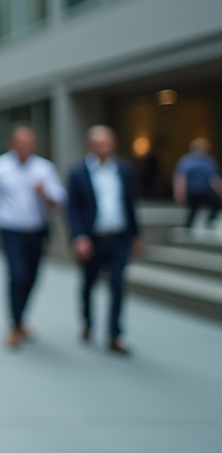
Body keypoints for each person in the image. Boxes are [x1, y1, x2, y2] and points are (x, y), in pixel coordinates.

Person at [0, 124, 66, 349]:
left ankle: (21, 317)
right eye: (20, 143)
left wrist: (43, 192)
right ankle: (15, 325)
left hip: (36, 231)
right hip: (10, 230)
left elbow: (58, 201)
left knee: (32, 277)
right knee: (17, 275)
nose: (25, 147)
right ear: (12, 144)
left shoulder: (44, 169)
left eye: (29, 144)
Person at [66, 126, 141, 355]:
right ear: (90, 145)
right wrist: (79, 237)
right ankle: (88, 322)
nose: (104, 147)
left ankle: (115, 334)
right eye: (99, 143)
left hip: (118, 237)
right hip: (92, 239)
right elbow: (73, 209)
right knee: (89, 284)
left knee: (117, 285)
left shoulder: (123, 169)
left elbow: (130, 204)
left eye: (107, 142)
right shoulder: (78, 172)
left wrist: (136, 234)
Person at [173, 138, 222, 229]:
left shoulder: (208, 161)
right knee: (192, 211)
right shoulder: (187, 161)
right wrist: (180, 192)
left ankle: (208, 222)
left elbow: (215, 179)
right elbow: (181, 178)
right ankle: (189, 228)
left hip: (203, 191)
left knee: (216, 206)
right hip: (193, 191)